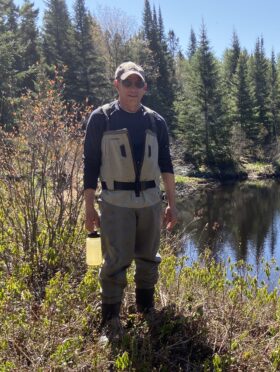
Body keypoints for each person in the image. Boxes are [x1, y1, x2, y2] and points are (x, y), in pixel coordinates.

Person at [83, 61, 177, 341]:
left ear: (145, 88)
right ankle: (110, 323)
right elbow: (90, 164)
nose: (133, 88)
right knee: (115, 262)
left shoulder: (155, 121)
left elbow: (166, 165)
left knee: (149, 259)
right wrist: (89, 207)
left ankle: (145, 311)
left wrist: (172, 203)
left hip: (150, 202)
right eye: (128, 83)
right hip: (115, 203)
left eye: (138, 83)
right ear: (117, 85)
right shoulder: (102, 118)